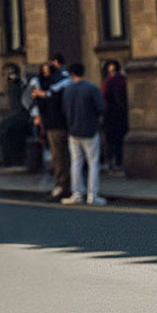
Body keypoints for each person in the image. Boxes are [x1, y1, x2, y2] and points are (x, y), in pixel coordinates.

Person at [60, 62, 108, 206]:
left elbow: (64, 109)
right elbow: (102, 107)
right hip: (90, 129)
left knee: (76, 162)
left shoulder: (67, 90)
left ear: (71, 74)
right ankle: (92, 195)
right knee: (93, 163)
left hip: (73, 130)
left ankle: (77, 194)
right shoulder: (91, 88)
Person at [32, 53, 72, 199]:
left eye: (48, 68)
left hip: (57, 124)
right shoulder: (50, 83)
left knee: (59, 156)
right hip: (53, 123)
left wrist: (42, 95)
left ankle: (63, 185)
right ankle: (63, 184)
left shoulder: (60, 83)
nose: (46, 72)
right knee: (60, 156)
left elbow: (52, 96)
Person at [101, 59, 128, 171]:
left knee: (110, 139)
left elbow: (103, 96)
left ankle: (112, 162)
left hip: (111, 113)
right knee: (119, 138)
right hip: (121, 112)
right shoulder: (123, 79)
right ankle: (119, 161)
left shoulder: (109, 81)